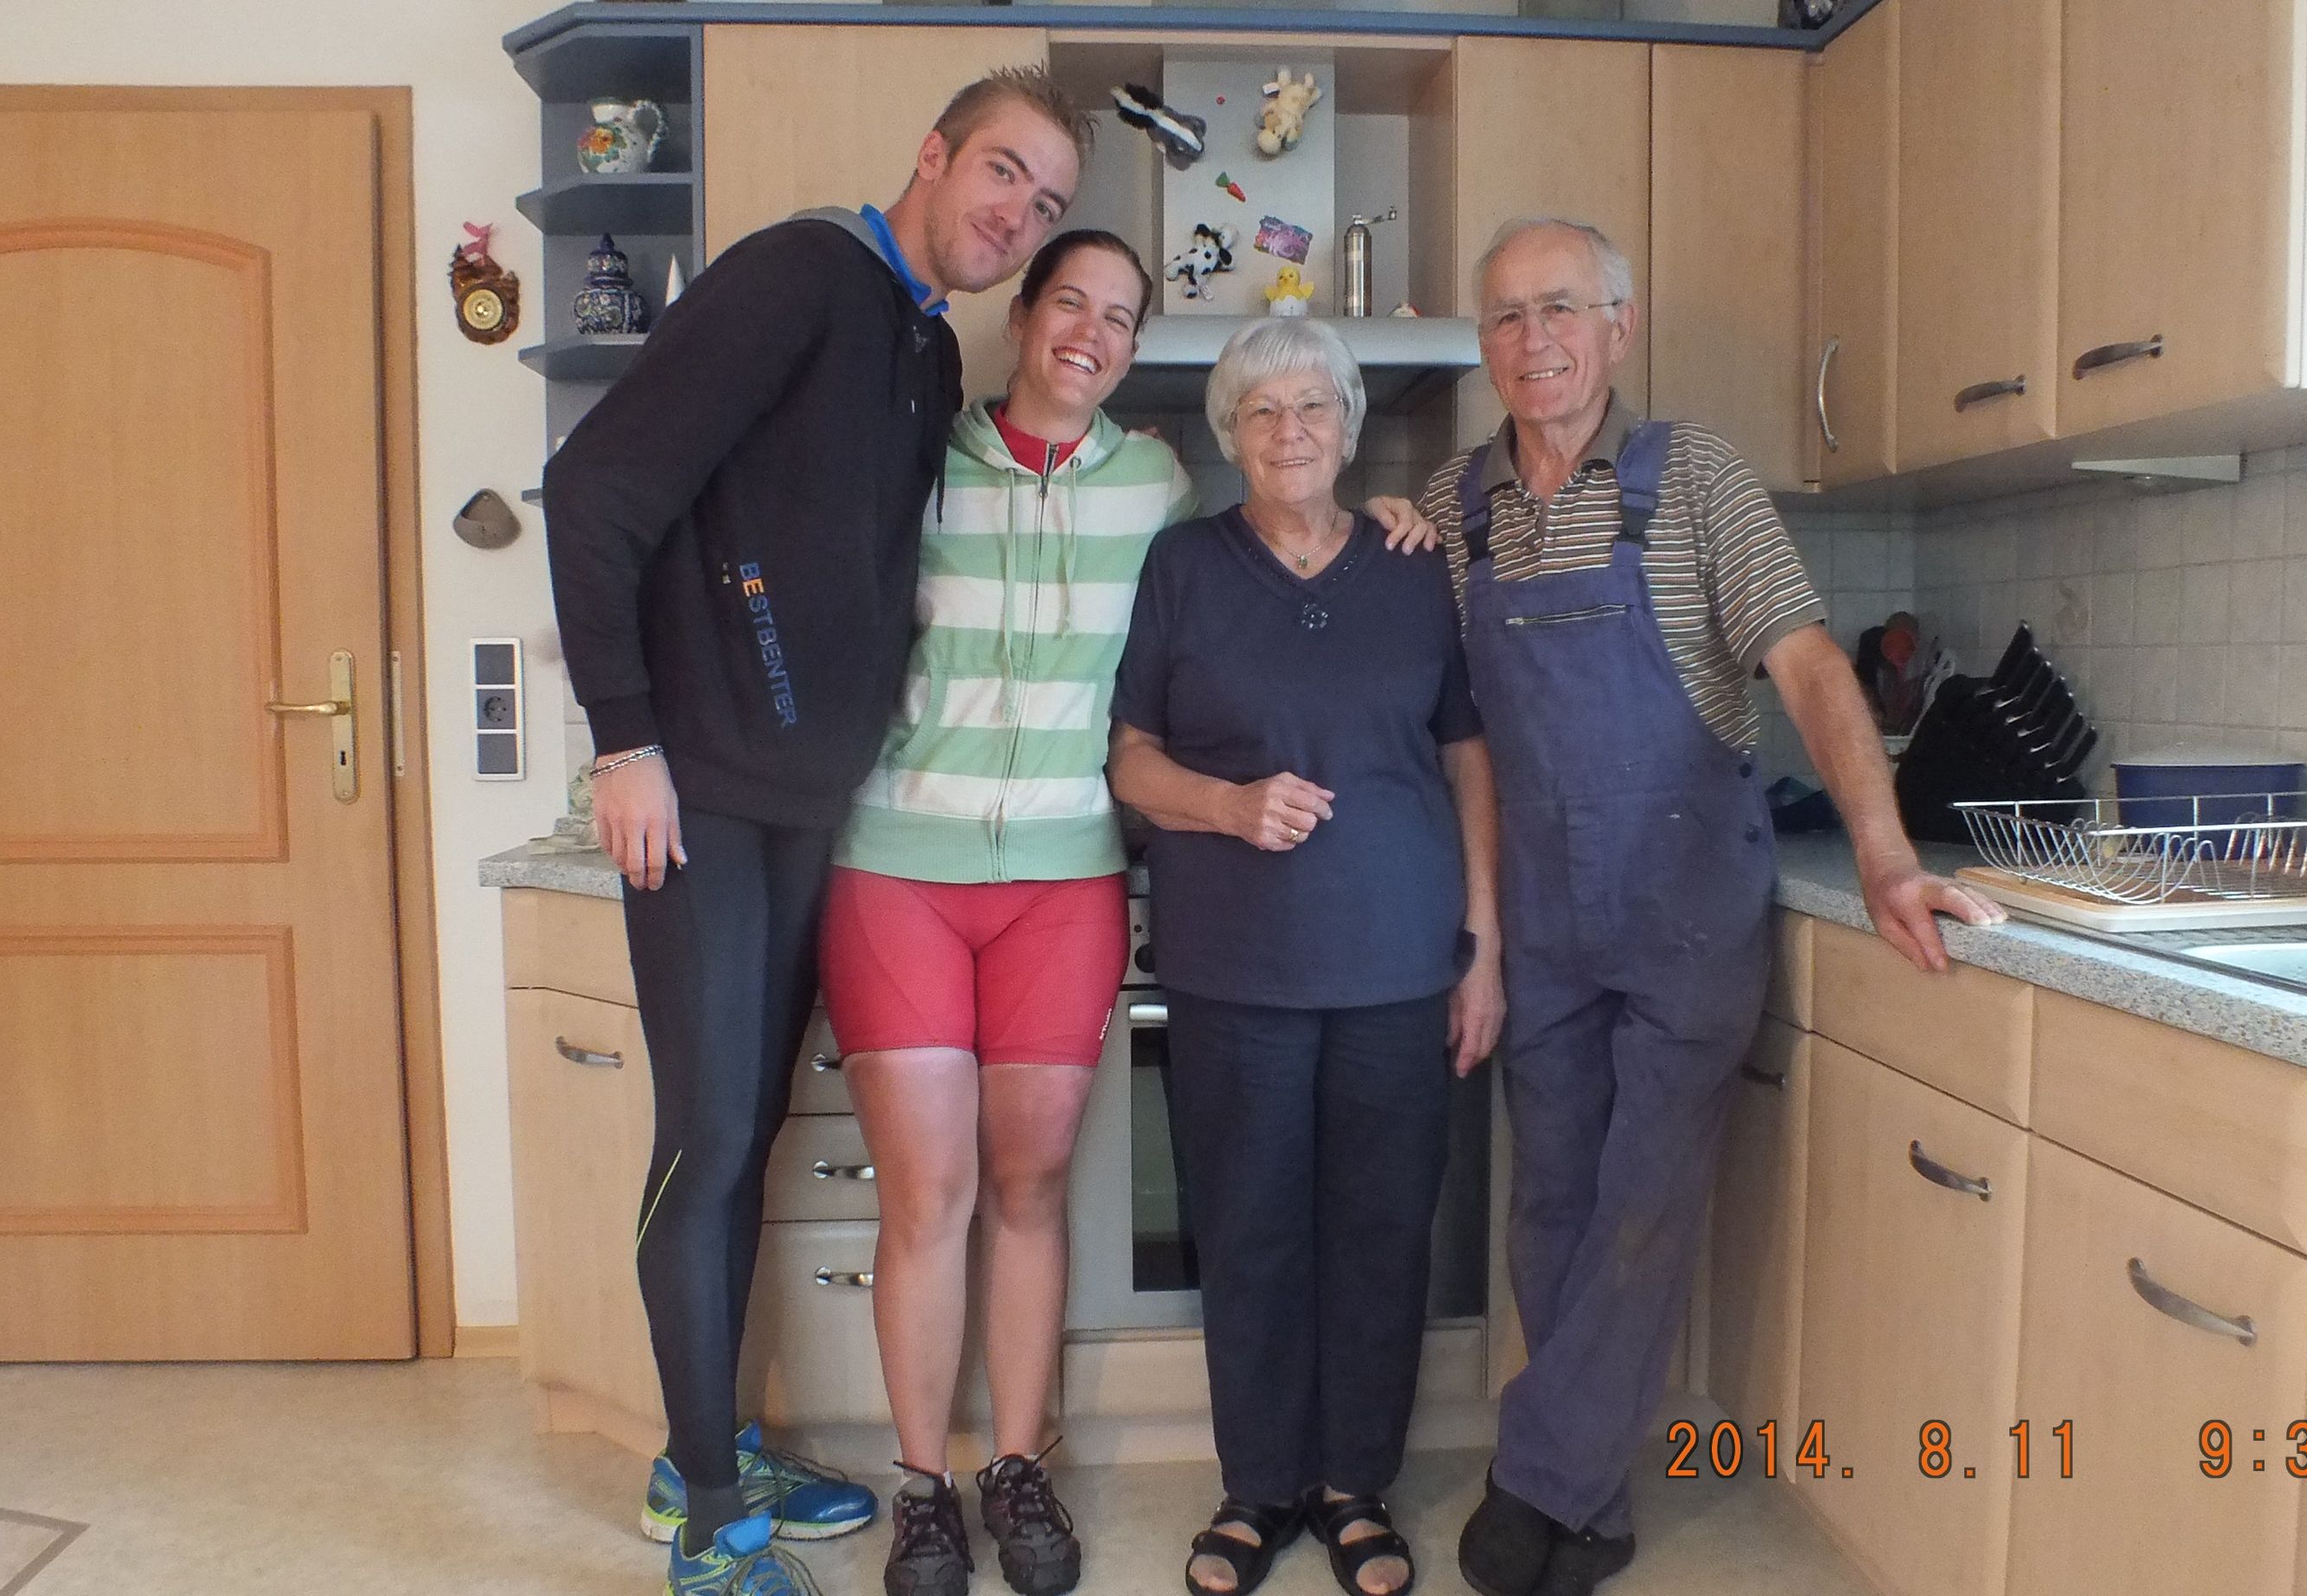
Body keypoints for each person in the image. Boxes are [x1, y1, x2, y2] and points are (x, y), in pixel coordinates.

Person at [543, 67, 1094, 1596]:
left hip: (808, 813)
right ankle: (706, 1520)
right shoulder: (802, 274)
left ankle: (708, 1447)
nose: (1019, 214)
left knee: (749, 1139)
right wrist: (625, 740)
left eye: (1049, 202)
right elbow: (593, 491)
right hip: (702, 796)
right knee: (709, 1139)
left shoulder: (922, 344)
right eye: (1003, 173)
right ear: (934, 154)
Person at [826, 236, 1445, 1596]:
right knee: (946, 1194)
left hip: (1084, 877)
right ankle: (933, 1488)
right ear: (1022, 315)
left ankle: (1040, 1468)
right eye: (1071, 304)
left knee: (1046, 1188)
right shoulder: (934, 465)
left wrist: (1403, 510)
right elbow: (837, 616)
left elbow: (1423, 696)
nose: (1092, 333)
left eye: (1120, 316)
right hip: (914, 862)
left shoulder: (1168, 494)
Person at [1423, 219, 2006, 1596]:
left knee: (1644, 1201)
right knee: (1551, 1202)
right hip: (1541, 916)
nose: (1534, 340)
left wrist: (1884, 857)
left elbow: (1808, 667)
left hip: (1686, 909)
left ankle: (1538, 1479)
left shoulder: (1697, 478)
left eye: (1562, 308)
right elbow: (1462, 733)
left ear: (1618, 327)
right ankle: (1589, 1498)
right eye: (1505, 316)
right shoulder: (1453, 506)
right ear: (1483, 343)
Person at [1108, 318, 1505, 1596]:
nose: (1291, 431)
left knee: (1382, 1232)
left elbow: (1466, 755)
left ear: (1349, 424)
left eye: (1314, 406)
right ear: (1232, 435)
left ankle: (1354, 1486)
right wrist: (1227, 806)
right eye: (1262, 410)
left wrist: (1484, 946)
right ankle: (1258, 1487)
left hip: (1399, 961)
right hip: (1236, 968)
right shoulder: (1184, 566)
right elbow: (1131, 763)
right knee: (1250, 1231)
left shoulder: (1414, 566)